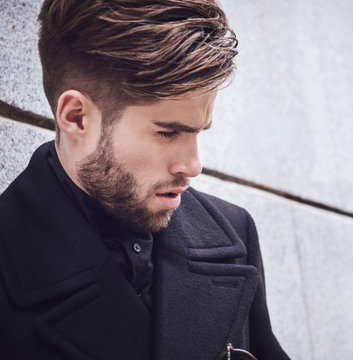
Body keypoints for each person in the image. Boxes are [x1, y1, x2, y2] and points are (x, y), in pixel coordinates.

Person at [0, 1, 289, 359]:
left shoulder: (233, 233)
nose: (194, 165)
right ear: (76, 118)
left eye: (199, 132)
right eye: (168, 133)